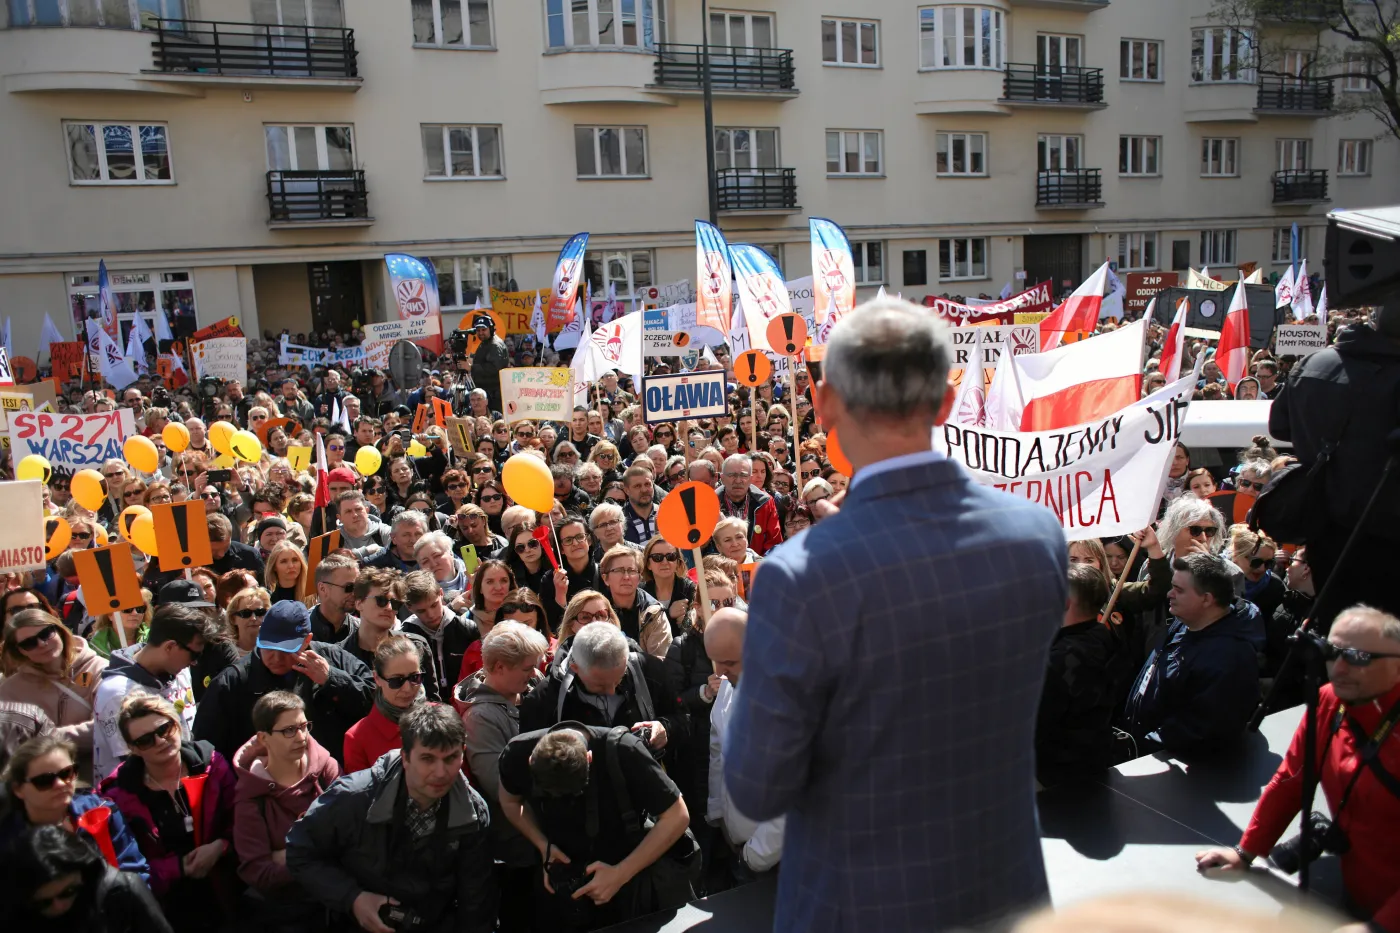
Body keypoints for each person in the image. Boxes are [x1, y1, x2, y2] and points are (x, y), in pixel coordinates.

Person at [725, 298, 1068, 933]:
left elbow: (755, 788)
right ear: (943, 401)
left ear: (823, 403)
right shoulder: (1037, 535)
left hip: (857, 908)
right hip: (1006, 895)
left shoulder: (798, 577)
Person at [1195, 605, 1400, 933]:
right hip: (1354, 900)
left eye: (1358, 656)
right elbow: (1292, 778)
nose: (1340, 667)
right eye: (1332, 652)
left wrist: (1378, 927)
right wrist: (1245, 852)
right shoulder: (1329, 701)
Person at [286, 702, 496, 933]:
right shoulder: (354, 798)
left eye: (450, 759)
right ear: (405, 757)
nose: (440, 772)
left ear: (463, 753)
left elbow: (474, 902)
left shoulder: (473, 813)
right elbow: (300, 852)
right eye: (427, 759)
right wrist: (353, 898)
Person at [497, 720, 693, 930]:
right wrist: (543, 845)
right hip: (561, 891)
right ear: (530, 760)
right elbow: (510, 801)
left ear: (589, 758)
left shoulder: (624, 750)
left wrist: (620, 874)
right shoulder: (516, 753)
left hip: (627, 888)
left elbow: (677, 815)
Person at [1269, 313, 1400, 624]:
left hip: (1325, 529)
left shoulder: (1314, 363)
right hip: (1386, 533)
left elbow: (1280, 426)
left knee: (1339, 631)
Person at [99, 694, 237, 927]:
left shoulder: (212, 764)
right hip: (162, 908)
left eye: (164, 729)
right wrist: (179, 867)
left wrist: (220, 846)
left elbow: (242, 819)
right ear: (133, 749)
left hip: (224, 891)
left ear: (176, 723)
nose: (160, 741)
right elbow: (123, 867)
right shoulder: (119, 794)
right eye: (145, 740)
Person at [194, 600, 375, 766]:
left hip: (327, 781)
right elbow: (207, 748)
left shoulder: (334, 659)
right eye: (268, 647)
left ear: (307, 641)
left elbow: (375, 702)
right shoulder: (233, 682)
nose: (277, 657)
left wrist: (331, 679)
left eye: (287, 649)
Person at [1122, 553, 1262, 757]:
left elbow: (1199, 732)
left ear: (1207, 599)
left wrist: (1144, 747)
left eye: (1178, 590)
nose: (1169, 594)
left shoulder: (1229, 659)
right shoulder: (1186, 621)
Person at [460, 622, 550, 933]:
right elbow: (500, 787)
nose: (534, 674)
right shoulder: (481, 718)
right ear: (499, 666)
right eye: (527, 668)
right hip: (516, 851)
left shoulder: (521, 695)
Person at [232, 691, 341, 915]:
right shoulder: (250, 799)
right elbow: (259, 873)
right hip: (293, 912)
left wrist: (289, 855)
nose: (301, 737)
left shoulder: (326, 769)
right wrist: (322, 850)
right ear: (263, 738)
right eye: (289, 730)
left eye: (304, 726)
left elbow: (352, 833)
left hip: (341, 899)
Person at [519, 621, 677, 762]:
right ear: (576, 668)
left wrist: (665, 728)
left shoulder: (649, 670)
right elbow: (530, 763)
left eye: (619, 680)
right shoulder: (544, 700)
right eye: (600, 685)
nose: (611, 691)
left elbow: (683, 718)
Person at [0, 734, 148, 881]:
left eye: (66, 773)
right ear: (18, 789)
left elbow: (135, 872)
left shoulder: (102, 810)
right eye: (44, 780)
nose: (60, 784)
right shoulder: (9, 840)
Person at [704, 607, 784, 876]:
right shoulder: (731, 681)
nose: (720, 672)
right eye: (715, 661)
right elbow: (718, 749)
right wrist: (717, 810)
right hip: (740, 843)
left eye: (728, 662)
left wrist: (756, 857)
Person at [93, 603, 212, 781]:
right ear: (169, 647)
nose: (195, 663)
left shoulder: (180, 671)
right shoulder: (117, 694)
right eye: (194, 655)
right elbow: (131, 764)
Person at [1036, 565, 1129, 786]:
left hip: (1057, 773)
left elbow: (1039, 722)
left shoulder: (1059, 660)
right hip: (1095, 758)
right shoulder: (1106, 637)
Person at [1, 823, 171, 933]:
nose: (59, 906)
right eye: (44, 902)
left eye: (68, 891)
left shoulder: (120, 890)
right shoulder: (16, 913)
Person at [0, 609, 107, 769]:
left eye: (46, 633)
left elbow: (104, 727)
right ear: (20, 650)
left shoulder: (99, 668)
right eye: (29, 643)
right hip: (41, 783)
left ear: (59, 629)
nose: (42, 643)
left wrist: (41, 740)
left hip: (95, 776)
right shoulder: (10, 689)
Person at [402, 570, 478, 701]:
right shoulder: (405, 636)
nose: (430, 614)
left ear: (441, 594)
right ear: (409, 607)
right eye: (421, 611)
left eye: (434, 605)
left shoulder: (467, 629)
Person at [598, 546, 671, 659]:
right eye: (619, 570)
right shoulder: (595, 612)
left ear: (639, 577)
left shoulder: (653, 612)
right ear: (605, 579)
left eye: (632, 571)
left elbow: (660, 663)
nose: (626, 577)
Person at [717, 454, 783, 556]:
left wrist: (759, 564)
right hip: (719, 568)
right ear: (722, 478)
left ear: (750, 478)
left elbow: (774, 543)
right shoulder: (710, 504)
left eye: (743, 475)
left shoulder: (765, 502)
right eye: (732, 475)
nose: (738, 481)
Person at [641, 535, 694, 629]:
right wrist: (668, 613)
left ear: (677, 562)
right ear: (648, 564)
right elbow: (640, 629)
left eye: (671, 556)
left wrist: (687, 622)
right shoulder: (641, 593)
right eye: (657, 557)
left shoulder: (690, 589)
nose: (665, 562)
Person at [308, 553, 359, 644]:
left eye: (358, 586)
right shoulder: (299, 630)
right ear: (323, 589)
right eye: (349, 587)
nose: (355, 593)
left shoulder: (361, 632)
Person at [619, 465, 658, 546]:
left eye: (647, 484)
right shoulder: (619, 521)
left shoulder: (665, 514)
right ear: (627, 490)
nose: (644, 490)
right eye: (637, 486)